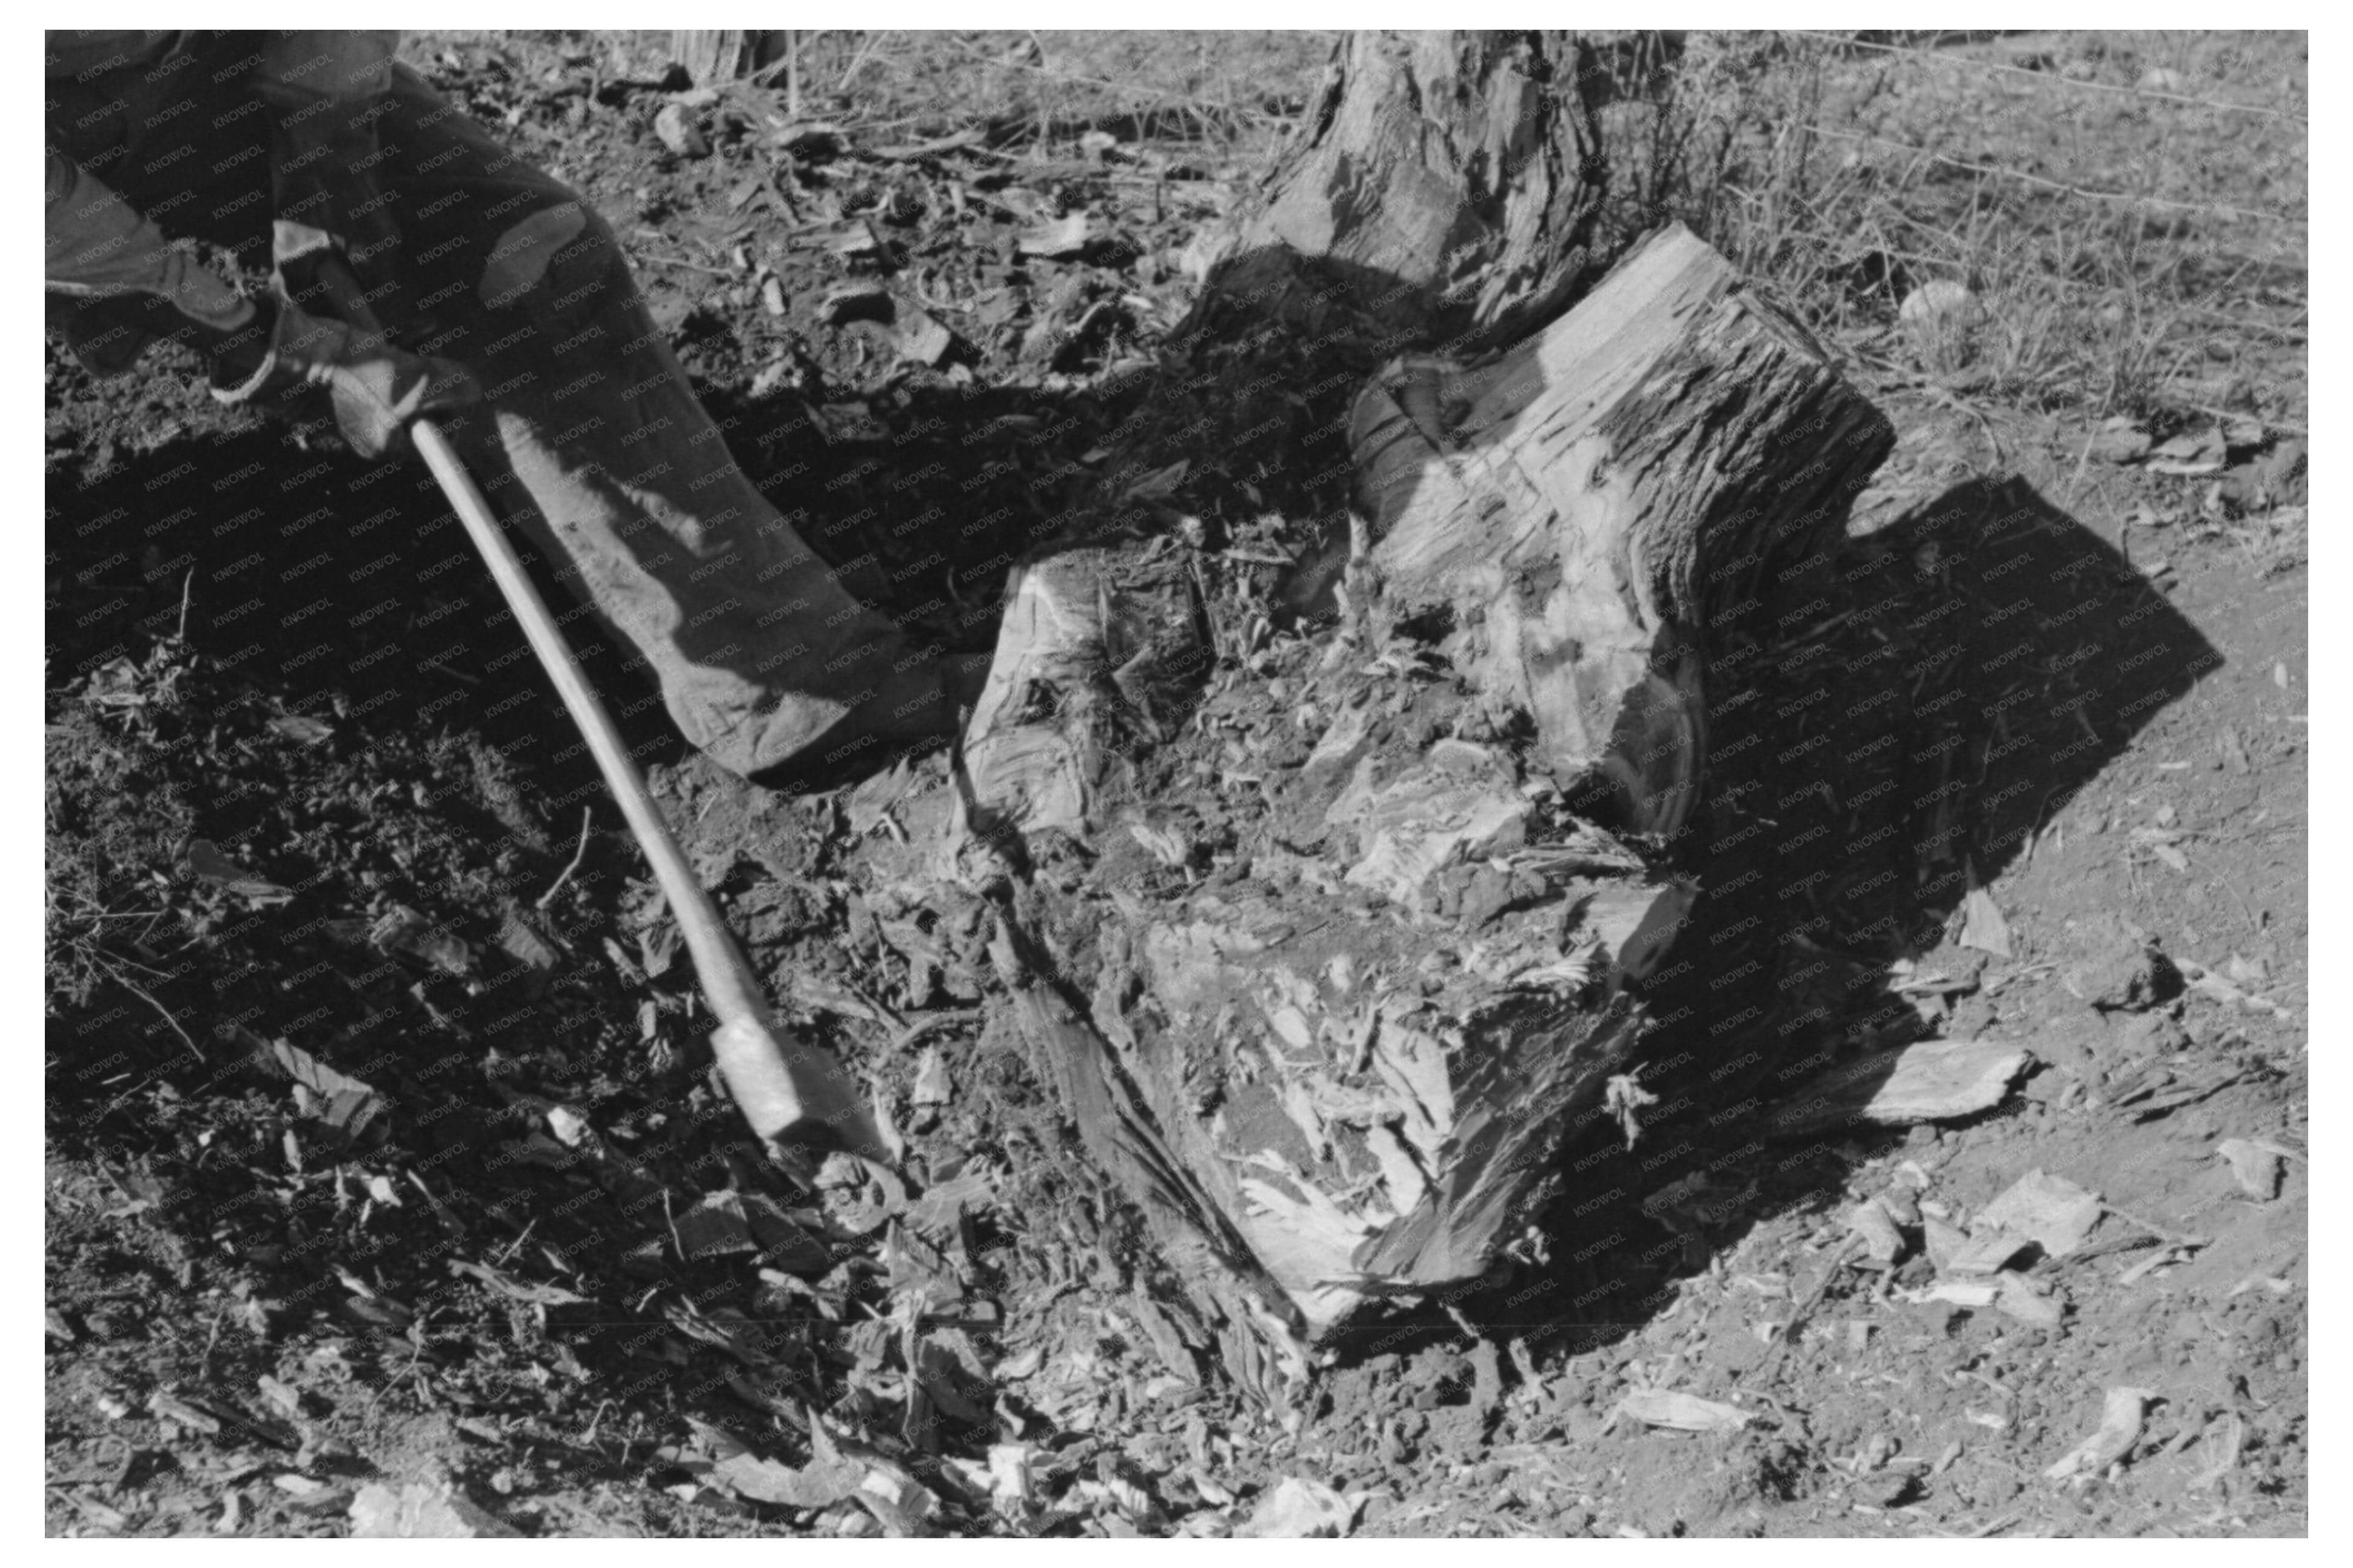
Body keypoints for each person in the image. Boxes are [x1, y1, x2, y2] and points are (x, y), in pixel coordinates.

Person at [45, 30, 965, 786]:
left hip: (192, 64)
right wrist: (252, 339)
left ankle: (784, 684)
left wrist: (330, 149)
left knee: (525, 258)